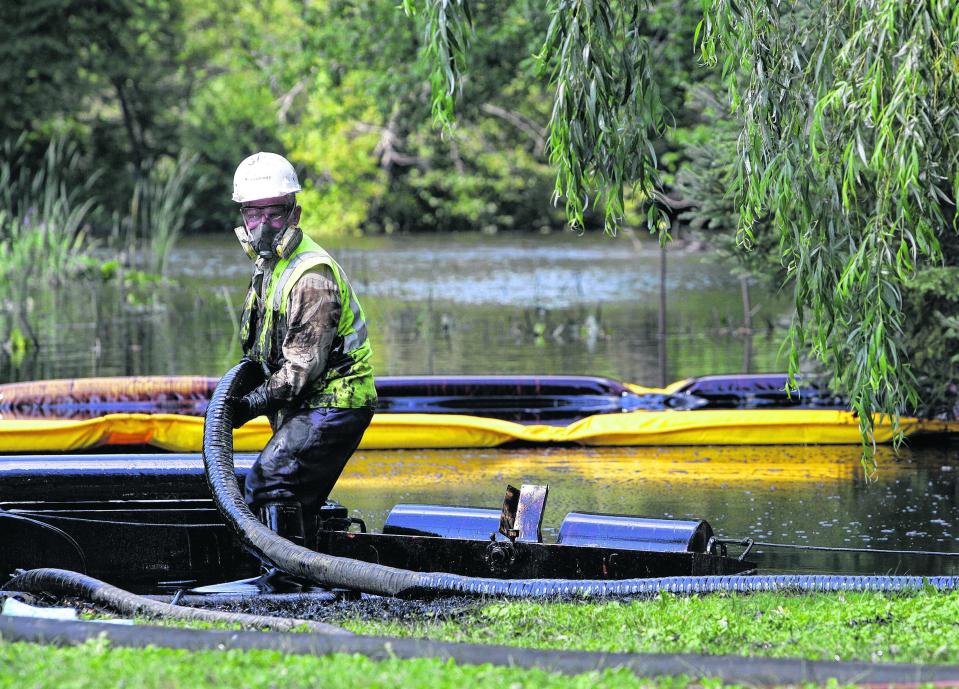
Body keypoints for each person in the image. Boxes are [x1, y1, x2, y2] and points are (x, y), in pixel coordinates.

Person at [229, 152, 376, 588]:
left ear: (294, 212)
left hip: (335, 402)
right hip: (309, 405)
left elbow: (299, 369)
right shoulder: (268, 267)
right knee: (286, 488)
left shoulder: (311, 275)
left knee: (272, 483)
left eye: (274, 212)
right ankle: (301, 575)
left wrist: (248, 405)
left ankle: (287, 584)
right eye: (253, 213)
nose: (263, 224)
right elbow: (261, 349)